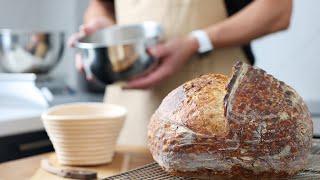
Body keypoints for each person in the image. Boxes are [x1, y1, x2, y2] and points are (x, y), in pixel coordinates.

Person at [69, 0, 292, 146]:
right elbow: (99, 5)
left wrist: (197, 42)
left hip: (218, 111)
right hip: (130, 117)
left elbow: (278, 10)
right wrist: (103, 30)